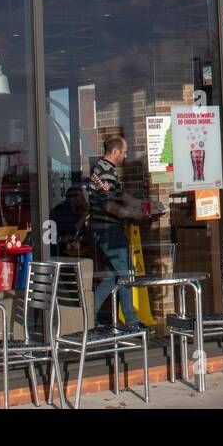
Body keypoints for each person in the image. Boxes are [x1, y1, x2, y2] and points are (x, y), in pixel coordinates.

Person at [86, 135, 143, 327]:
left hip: (102, 229)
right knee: (127, 273)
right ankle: (132, 321)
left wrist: (141, 205)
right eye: (124, 152)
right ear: (115, 151)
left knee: (112, 276)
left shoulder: (102, 169)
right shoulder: (105, 172)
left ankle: (88, 317)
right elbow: (109, 205)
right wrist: (131, 215)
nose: (125, 156)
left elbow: (118, 194)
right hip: (109, 230)